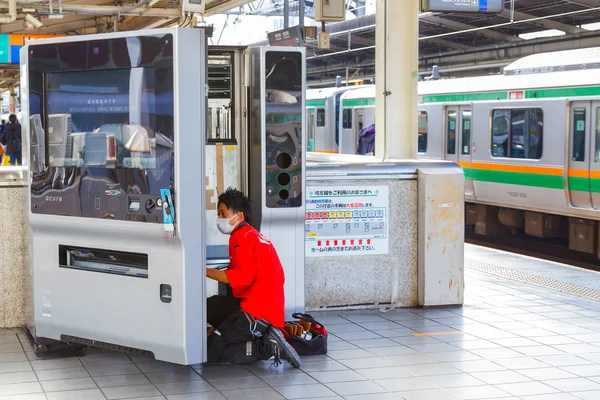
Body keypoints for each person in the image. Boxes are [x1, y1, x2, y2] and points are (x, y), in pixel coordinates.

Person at [205, 187, 302, 368]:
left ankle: (266, 347)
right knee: (209, 306)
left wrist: (203, 271)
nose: (220, 218)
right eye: (218, 213)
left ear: (239, 216)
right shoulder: (253, 235)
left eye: (223, 213)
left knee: (213, 349)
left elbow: (242, 277)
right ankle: (229, 332)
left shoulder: (241, 238)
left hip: (257, 313)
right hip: (261, 306)